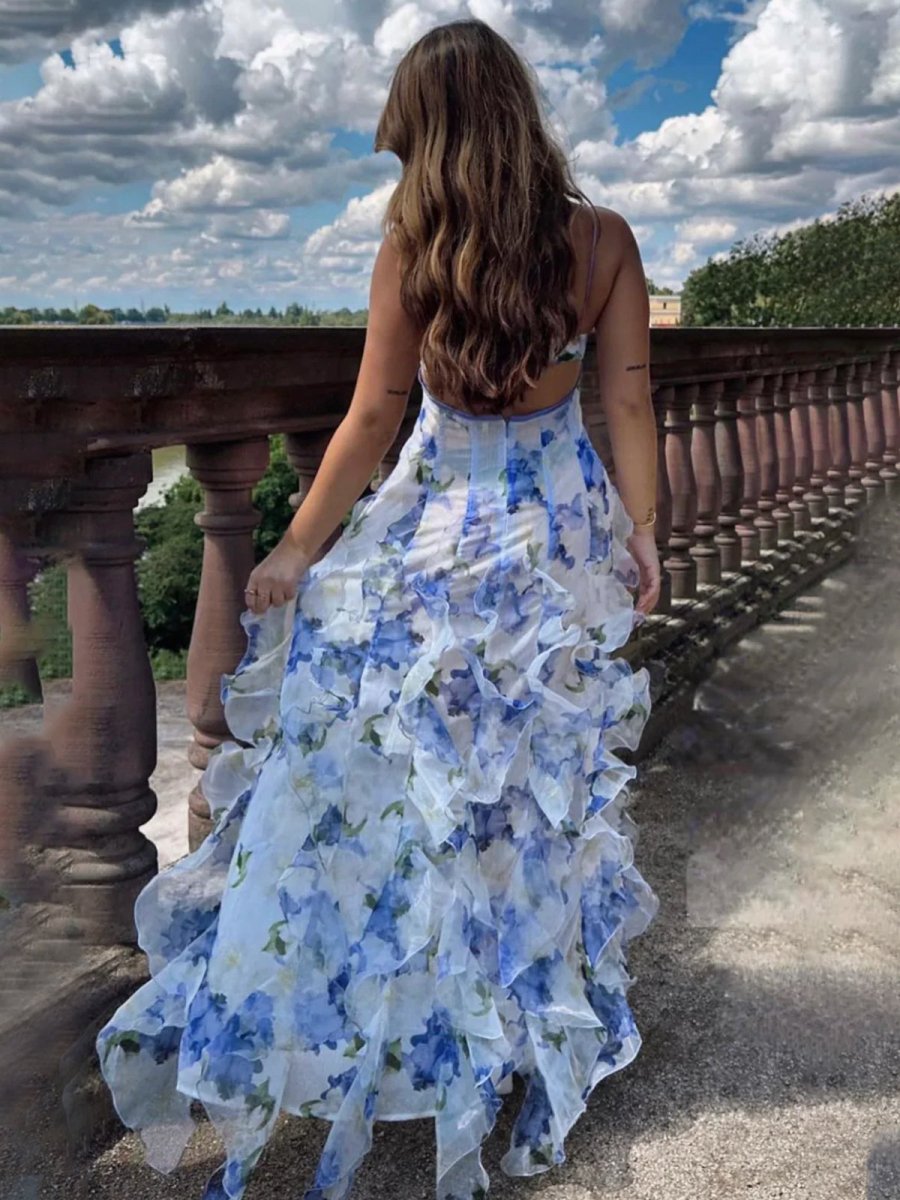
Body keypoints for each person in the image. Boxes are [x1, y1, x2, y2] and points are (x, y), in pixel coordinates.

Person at [95, 17, 661, 1200]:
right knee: (530, 806)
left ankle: (403, 1032)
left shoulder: (414, 248)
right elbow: (627, 405)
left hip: (432, 547)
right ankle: (514, 1034)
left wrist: (297, 547)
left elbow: (370, 419)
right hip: (553, 548)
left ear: (432, 136)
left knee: (392, 797)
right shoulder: (603, 242)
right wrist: (644, 532)